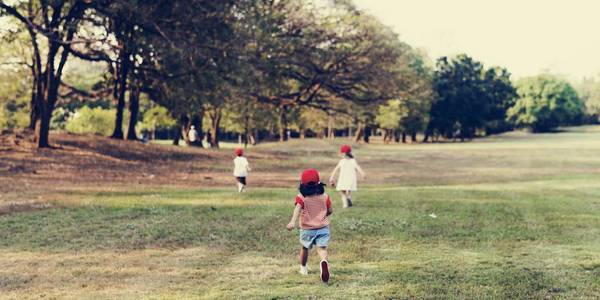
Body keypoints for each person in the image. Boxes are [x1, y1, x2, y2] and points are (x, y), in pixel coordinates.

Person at [286, 169, 333, 283]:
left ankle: (303, 268)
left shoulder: (302, 197)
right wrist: (324, 215)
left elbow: (297, 208)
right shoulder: (324, 196)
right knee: (322, 249)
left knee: (305, 248)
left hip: (307, 229)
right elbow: (330, 210)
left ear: (302, 183)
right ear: (319, 182)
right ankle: (323, 262)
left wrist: (292, 221)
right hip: (323, 228)